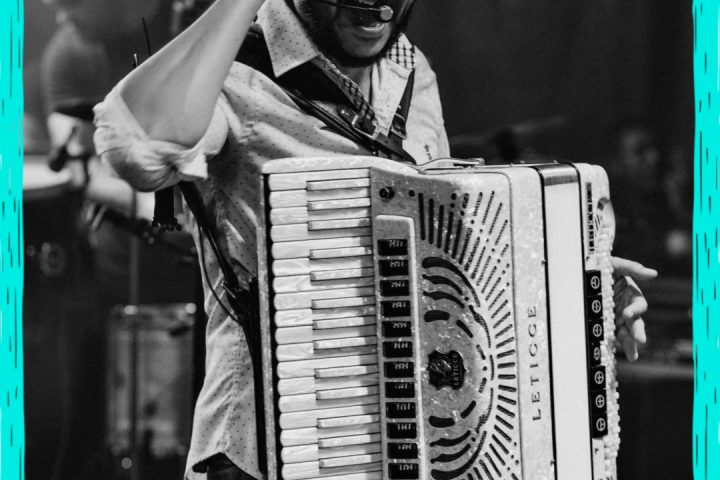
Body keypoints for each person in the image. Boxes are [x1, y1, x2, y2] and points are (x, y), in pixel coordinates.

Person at [93, 1, 657, 478]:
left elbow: (438, 259)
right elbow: (137, 149)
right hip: (260, 454)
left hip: (401, 446)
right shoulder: (235, 72)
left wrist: (573, 289)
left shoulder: (411, 69)